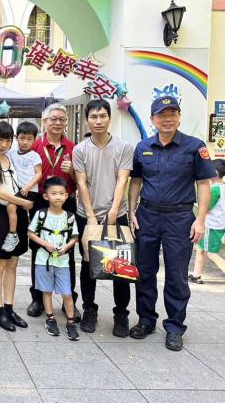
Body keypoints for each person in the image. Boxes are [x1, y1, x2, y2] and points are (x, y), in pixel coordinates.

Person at [128, 96, 215, 351]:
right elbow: (136, 181)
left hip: (179, 218)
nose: (167, 119)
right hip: (147, 217)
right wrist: (132, 211)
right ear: (153, 119)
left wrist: (200, 220)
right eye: (162, 115)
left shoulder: (194, 146)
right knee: (144, 272)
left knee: (177, 275)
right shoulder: (143, 146)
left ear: (179, 116)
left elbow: (204, 184)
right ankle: (145, 320)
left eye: (172, 114)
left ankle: (175, 327)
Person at [72, 99, 134, 336]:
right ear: (87, 120)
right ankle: (89, 309)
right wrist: (90, 216)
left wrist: (112, 211)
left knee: (120, 266)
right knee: (89, 264)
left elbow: (123, 180)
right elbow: (81, 182)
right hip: (87, 215)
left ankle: (121, 314)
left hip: (117, 215)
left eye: (102, 116)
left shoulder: (123, 147)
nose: (98, 121)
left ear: (110, 118)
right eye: (93, 117)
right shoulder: (80, 150)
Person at [28, 103, 80, 322]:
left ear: (66, 123)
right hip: (40, 201)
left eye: (61, 119)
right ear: (45, 122)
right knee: (38, 250)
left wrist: (73, 173)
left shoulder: (73, 147)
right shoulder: (34, 147)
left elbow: (82, 181)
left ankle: (70, 299)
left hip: (66, 202)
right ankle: (38, 298)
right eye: (53, 119)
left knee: (66, 251)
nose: (57, 123)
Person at [0, 121, 32, 331]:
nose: (4, 144)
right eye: (0, 139)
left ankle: (9, 308)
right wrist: (24, 203)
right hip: (2, 214)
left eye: (8, 140)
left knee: (13, 263)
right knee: (0, 264)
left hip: (17, 212)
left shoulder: (9, 159)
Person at [27, 177, 80, 341]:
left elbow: (74, 237)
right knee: (47, 290)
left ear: (66, 196)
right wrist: (45, 244)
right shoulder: (40, 214)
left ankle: (71, 322)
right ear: (46, 196)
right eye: (54, 193)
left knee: (67, 293)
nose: (58, 197)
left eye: (61, 193)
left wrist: (66, 247)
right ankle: (50, 318)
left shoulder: (70, 216)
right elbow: (30, 233)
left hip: (62, 261)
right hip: (44, 260)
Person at [7, 121, 43, 253]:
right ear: (16, 138)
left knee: (12, 206)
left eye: (29, 139)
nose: (25, 142)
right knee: (17, 209)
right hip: (18, 189)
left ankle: (13, 235)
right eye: (22, 138)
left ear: (35, 139)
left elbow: (39, 174)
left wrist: (28, 187)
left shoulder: (34, 156)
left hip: (30, 190)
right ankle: (15, 233)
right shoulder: (11, 153)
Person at [189, 160, 225, 284]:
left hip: (211, 224)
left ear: (214, 172)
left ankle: (197, 275)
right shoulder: (223, 187)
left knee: (210, 253)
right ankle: (196, 275)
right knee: (201, 250)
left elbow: (207, 206)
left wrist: (196, 204)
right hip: (218, 223)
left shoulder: (214, 189)